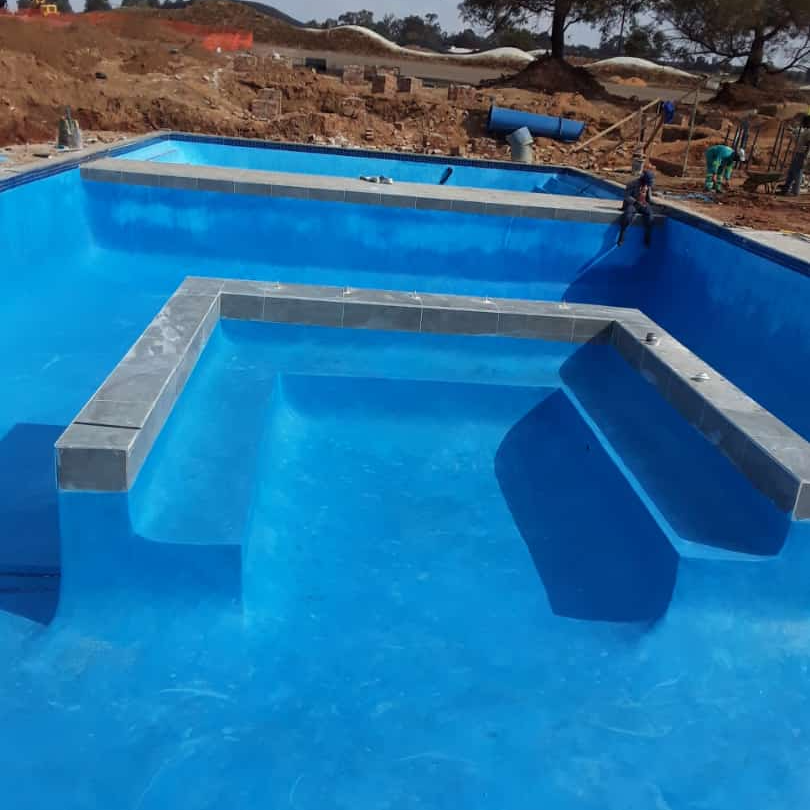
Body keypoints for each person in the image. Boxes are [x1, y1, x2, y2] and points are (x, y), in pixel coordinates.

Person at [617, 169, 654, 247]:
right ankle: (622, 234)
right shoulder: (632, 184)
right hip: (633, 204)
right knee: (628, 215)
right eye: (648, 181)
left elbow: (649, 199)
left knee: (650, 216)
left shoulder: (648, 186)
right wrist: (636, 202)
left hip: (643, 204)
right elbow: (627, 196)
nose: (648, 183)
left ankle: (647, 236)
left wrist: (648, 200)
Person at [781, 116, 810, 196]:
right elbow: (798, 139)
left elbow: (808, 144)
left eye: (804, 122)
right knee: (791, 172)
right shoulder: (805, 131)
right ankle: (786, 189)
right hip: (798, 153)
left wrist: (805, 157)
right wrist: (791, 132)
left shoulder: (809, 132)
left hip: (802, 154)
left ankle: (796, 192)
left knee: (798, 173)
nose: (802, 123)